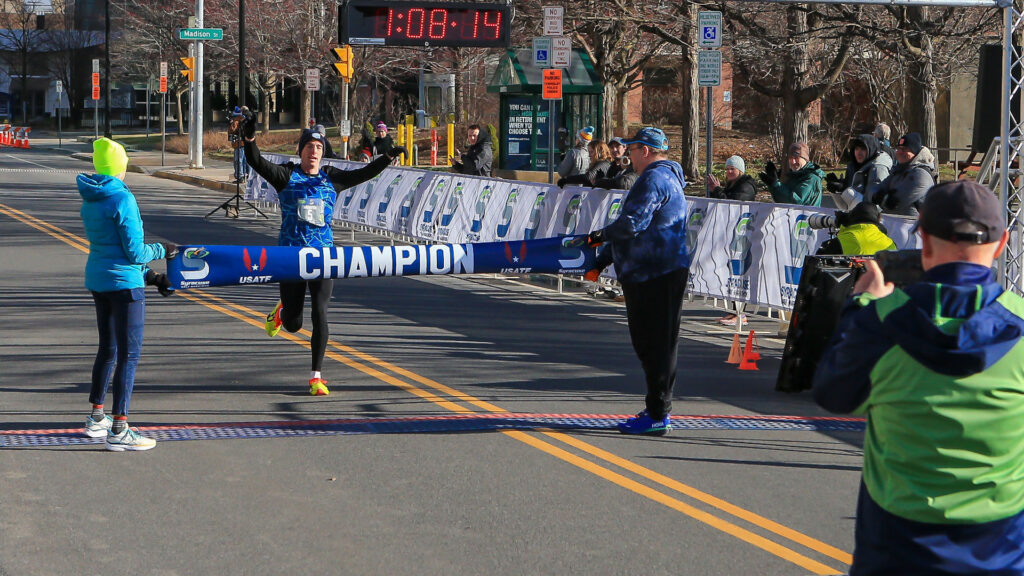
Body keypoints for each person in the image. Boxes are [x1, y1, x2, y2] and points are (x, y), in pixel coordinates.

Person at [813, 180, 1024, 574]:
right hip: (1001, 548)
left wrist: (860, 307)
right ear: (1002, 243)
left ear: (923, 240)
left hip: (897, 545)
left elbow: (833, 393)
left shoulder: (880, 320)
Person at [242, 117, 407, 396]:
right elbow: (258, 162)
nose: (314, 151)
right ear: (301, 151)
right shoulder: (286, 175)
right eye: (309, 146)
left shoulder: (331, 177)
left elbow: (364, 174)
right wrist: (249, 141)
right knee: (295, 324)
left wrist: (387, 157)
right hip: (291, 258)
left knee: (320, 312)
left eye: (318, 147)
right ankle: (283, 311)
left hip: (323, 257)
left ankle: (316, 376)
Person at [582, 127, 690, 436]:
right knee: (652, 342)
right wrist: (603, 258)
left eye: (631, 148)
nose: (627, 153)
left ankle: (658, 413)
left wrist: (600, 236)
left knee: (654, 343)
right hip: (654, 269)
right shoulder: (664, 176)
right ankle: (656, 407)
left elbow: (632, 223)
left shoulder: (655, 179)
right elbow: (638, 229)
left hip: (656, 271)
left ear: (645, 150)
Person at [78, 137, 176, 451]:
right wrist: (165, 249)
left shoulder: (91, 197)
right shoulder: (122, 199)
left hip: (99, 280)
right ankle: (119, 427)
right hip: (125, 288)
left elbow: (114, 252)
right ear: (121, 167)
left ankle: (96, 417)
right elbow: (134, 252)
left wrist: (152, 277)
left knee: (107, 349)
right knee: (129, 355)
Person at [706, 154, 758, 325]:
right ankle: (733, 310)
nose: (728, 171)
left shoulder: (746, 186)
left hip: (741, 237)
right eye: (727, 168)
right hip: (729, 235)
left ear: (740, 170)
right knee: (730, 273)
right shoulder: (731, 185)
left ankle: (741, 314)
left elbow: (733, 203)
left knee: (739, 273)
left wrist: (717, 190)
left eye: (732, 169)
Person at [873, 132, 936, 217]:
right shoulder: (898, 169)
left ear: (914, 152)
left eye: (904, 149)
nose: (899, 152)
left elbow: (895, 203)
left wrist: (883, 198)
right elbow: (876, 191)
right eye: (898, 148)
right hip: (895, 223)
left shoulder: (921, 174)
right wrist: (879, 196)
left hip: (914, 226)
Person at [824, 134, 892, 210]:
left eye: (863, 149)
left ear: (871, 149)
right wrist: (836, 192)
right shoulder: (853, 167)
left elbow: (875, 207)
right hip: (855, 218)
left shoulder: (878, 169)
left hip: (870, 219)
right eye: (856, 149)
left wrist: (845, 190)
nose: (859, 153)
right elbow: (846, 207)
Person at [814, 201, 897, 256]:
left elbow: (816, 273)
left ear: (851, 217)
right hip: (882, 282)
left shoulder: (841, 241)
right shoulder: (891, 243)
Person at [759, 141, 824, 207]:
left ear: (805, 158)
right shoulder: (793, 176)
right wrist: (773, 185)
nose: (793, 161)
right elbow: (780, 200)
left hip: (806, 216)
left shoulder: (812, 178)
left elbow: (796, 201)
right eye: (790, 158)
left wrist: (776, 185)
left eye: (796, 158)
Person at [227, 106, 249, 184]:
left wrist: (232, 123)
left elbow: (233, 130)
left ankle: (240, 176)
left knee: (239, 160)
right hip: (239, 144)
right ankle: (243, 175)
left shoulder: (239, 121)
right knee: (242, 160)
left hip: (241, 144)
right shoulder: (240, 121)